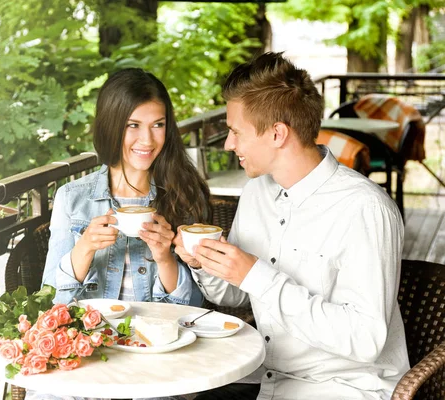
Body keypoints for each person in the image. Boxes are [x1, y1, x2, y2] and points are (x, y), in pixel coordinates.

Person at [173, 52, 409, 400]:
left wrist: (256, 275)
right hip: (264, 373)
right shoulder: (257, 191)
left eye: (235, 132)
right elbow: (235, 293)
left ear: (277, 134)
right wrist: (204, 262)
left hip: (342, 387)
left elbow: (364, 340)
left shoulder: (366, 208)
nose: (228, 144)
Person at [42, 67, 210, 307]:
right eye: (133, 125)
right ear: (110, 126)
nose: (147, 140)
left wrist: (164, 259)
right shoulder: (72, 198)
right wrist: (85, 247)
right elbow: (49, 299)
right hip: (94, 340)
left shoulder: (182, 193)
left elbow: (194, 306)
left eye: (158, 125)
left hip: (159, 341)